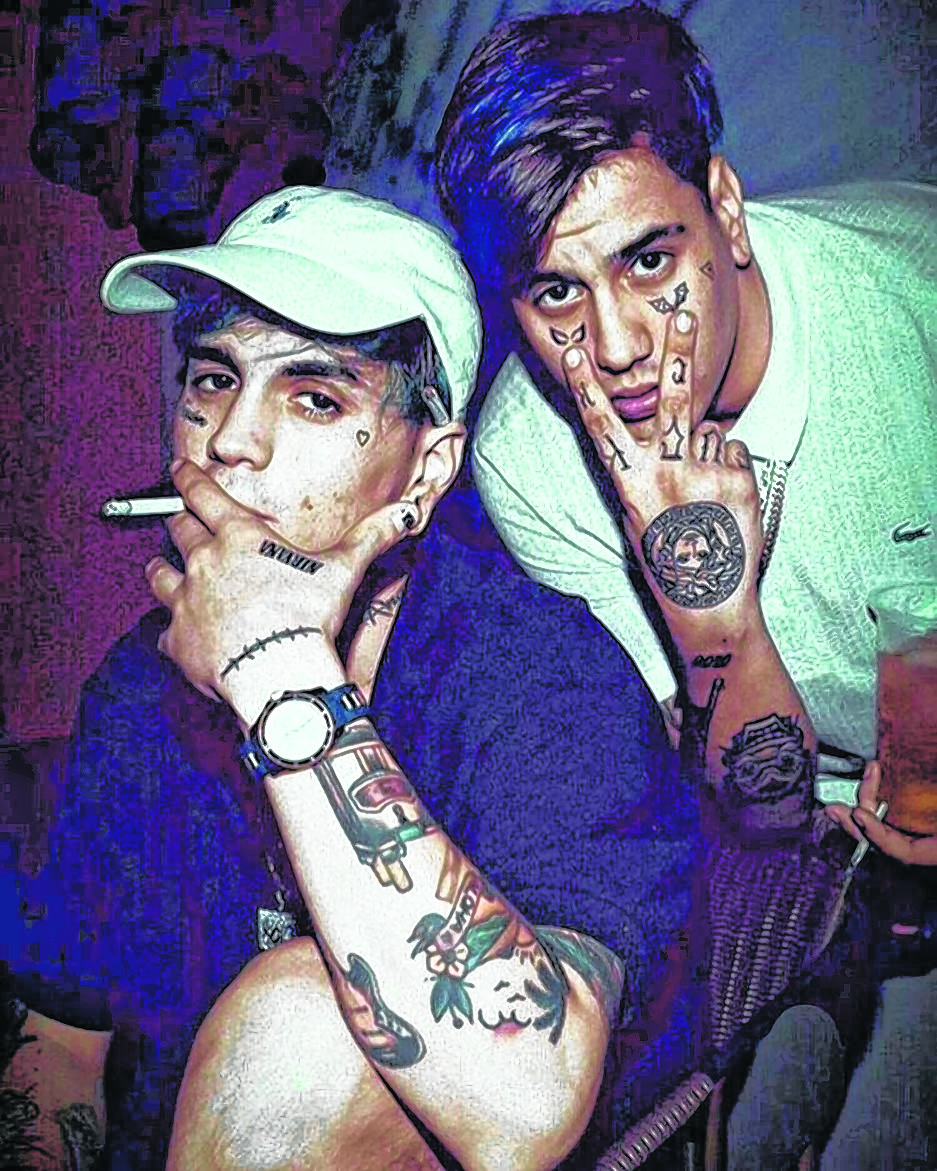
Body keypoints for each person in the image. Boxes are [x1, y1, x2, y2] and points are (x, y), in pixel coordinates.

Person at [1, 183, 707, 1171]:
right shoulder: (135, 691)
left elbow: (526, 1103)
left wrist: (277, 671)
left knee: (308, 1023)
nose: (229, 440)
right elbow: (62, 1049)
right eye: (212, 380)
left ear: (426, 472)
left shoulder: (544, 679)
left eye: (316, 398)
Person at [433, 4, 937, 1165]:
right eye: (553, 294)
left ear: (726, 206)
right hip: (821, 838)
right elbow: (761, 815)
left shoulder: (913, 307)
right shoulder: (531, 454)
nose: (612, 347)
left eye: (647, 262)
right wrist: (712, 616)